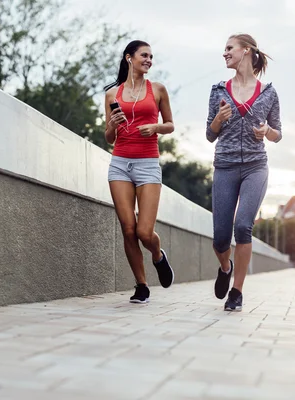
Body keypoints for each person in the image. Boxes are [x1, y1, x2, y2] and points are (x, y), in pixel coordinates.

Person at [205, 33, 282, 311]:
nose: (225, 53)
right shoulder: (218, 91)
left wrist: (267, 131)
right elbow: (209, 135)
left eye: (229, 48)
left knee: (243, 226)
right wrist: (217, 120)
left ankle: (236, 292)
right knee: (221, 238)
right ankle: (225, 267)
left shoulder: (268, 93)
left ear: (246, 51)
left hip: (255, 167)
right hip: (224, 166)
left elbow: (277, 134)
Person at [104, 40, 175, 304]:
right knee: (128, 228)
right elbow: (109, 137)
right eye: (144, 55)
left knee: (145, 232)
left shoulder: (157, 89)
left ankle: (158, 255)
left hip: (147, 164)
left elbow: (170, 125)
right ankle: (141, 285)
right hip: (120, 162)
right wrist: (112, 123)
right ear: (129, 58)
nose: (149, 60)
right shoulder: (113, 95)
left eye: (151, 56)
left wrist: (155, 128)